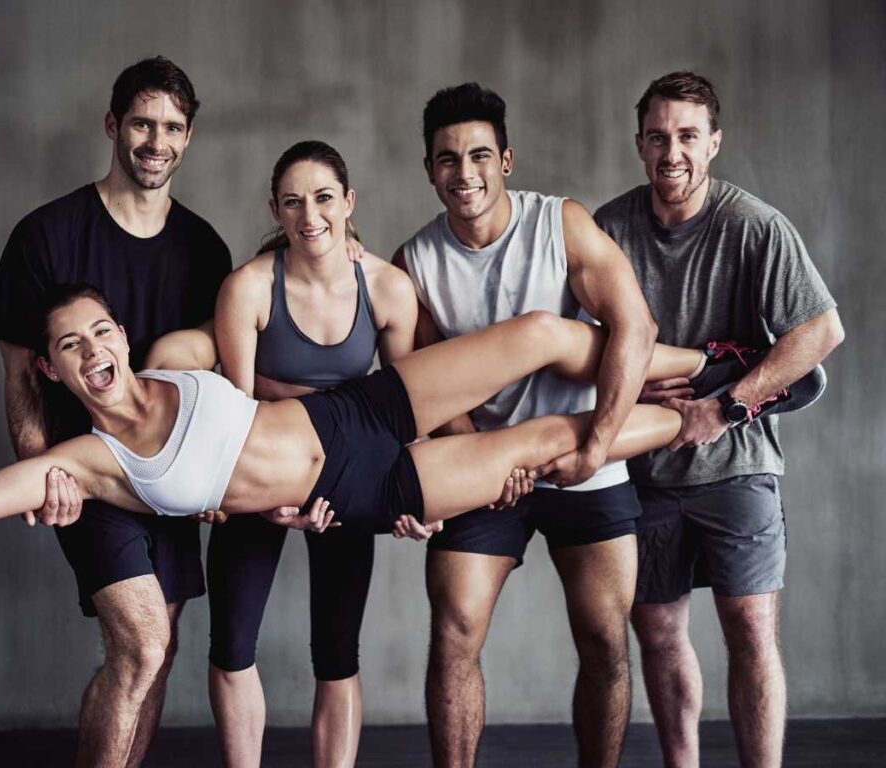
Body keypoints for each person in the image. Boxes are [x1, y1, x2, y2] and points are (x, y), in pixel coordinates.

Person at [393, 82, 656, 768]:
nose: (463, 172)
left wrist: (597, 446)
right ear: (429, 169)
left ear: (505, 159)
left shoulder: (558, 223)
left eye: (479, 154)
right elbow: (426, 383)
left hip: (582, 453)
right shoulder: (415, 263)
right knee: (453, 634)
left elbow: (635, 325)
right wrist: (480, 461)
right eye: (446, 159)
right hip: (484, 465)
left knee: (605, 641)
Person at [594, 71, 844, 768]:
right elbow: (577, 342)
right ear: (640, 145)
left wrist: (723, 407)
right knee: (661, 636)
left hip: (738, 466)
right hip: (639, 469)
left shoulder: (753, 225)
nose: (671, 151)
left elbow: (820, 332)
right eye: (657, 137)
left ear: (713, 144)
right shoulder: (608, 230)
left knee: (751, 630)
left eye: (686, 136)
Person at [0, 56, 231, 767]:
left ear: (188, 138)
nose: (157, 141)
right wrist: (42, 474)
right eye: (142, 124)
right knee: (141, 642)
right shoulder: (45, 236)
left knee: (159, 649)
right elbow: (20, 378)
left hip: (168, 476)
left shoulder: (204, 248)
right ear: (112, 126)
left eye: (173, 128)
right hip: (86, 473)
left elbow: (214, 376)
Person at [206, 140, 420, 768]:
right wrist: (270, 502)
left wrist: (412, 498)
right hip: (262, 469)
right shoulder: (247, 288)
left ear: (349, 202)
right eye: (293, 202)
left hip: (348, 477)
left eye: (324, 198)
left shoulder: (387, 287)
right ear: (275, 209)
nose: (310, 216)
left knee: (337, 652)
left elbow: (407, 409)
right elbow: (235, 412)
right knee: (232, 644)